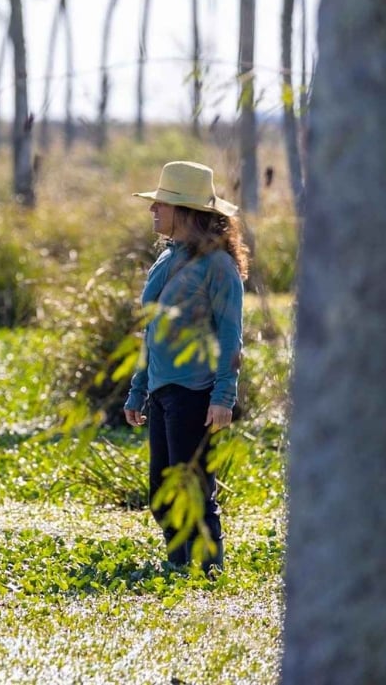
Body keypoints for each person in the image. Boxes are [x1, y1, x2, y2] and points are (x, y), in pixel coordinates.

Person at [123, 160, 248, 574]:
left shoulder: (219, 266)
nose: (152, 209)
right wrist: (138, 390)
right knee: (162, 492)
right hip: (162, 391)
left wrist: (223, 396)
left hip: (196, 393)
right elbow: (152, 330)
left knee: (194, 489)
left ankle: (208, 569)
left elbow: (231, 336)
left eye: (161, 204)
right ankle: (179, 564)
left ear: (185, 211)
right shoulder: (166, 259)